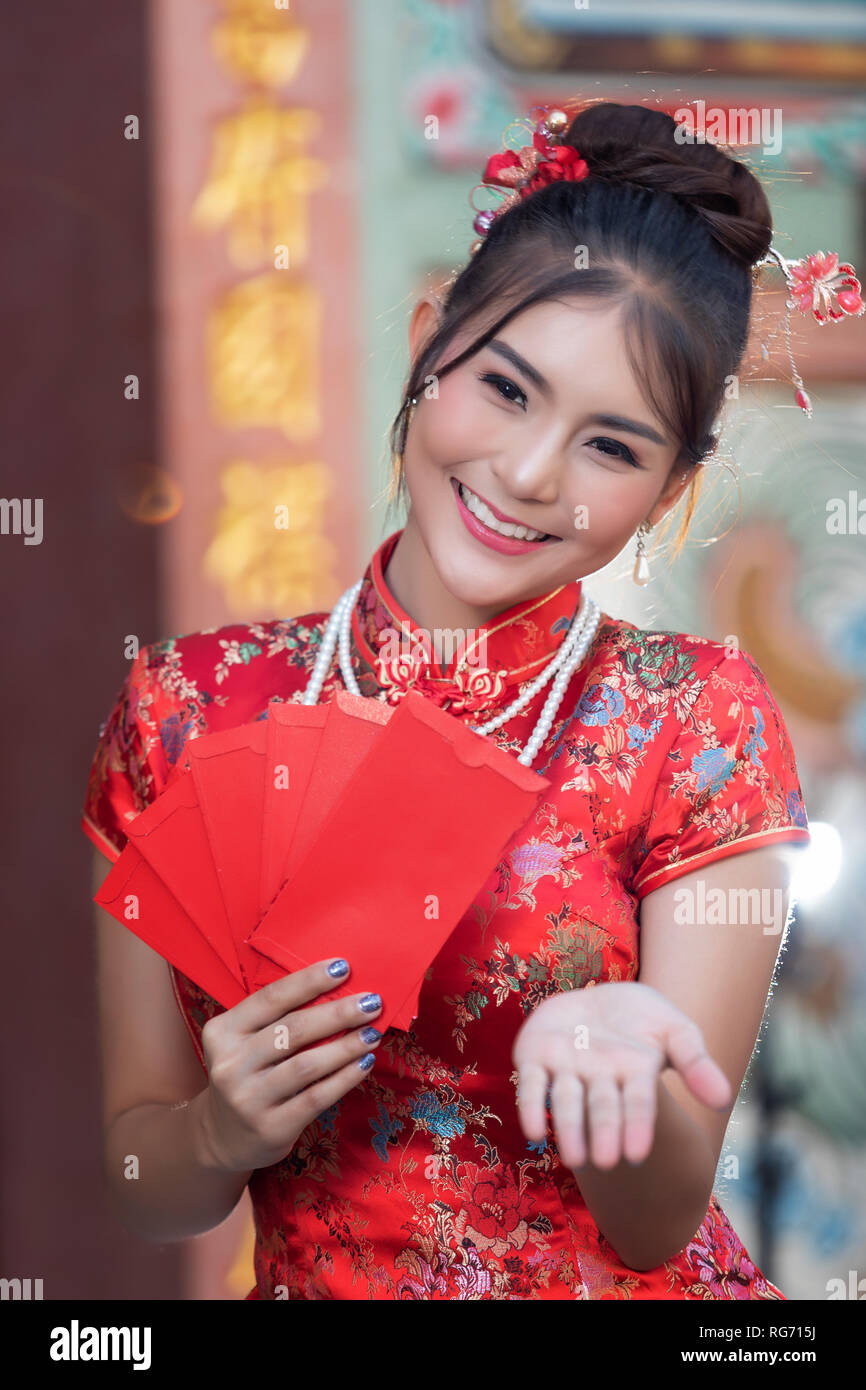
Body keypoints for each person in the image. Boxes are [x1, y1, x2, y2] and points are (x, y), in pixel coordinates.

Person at [84, 101, 816, 1300]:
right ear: (430, 346)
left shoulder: (694, 718)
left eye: (611, 448)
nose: (527, 475)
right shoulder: (186, 707)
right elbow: (141, 1179)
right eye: (505, 389)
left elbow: (656, 1223)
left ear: (670, 490)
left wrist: (619, 1078)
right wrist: (221, 1129)